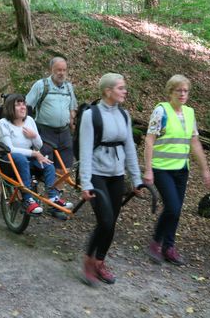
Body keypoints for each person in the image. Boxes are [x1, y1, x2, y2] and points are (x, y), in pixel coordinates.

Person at [79, 73, 144, 286]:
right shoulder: (91, 115)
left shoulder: (124, 115)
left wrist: (136, 179)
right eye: (121, 88)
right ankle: (88, 262)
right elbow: (85, 151)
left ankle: (100, 262)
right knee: (105, 220)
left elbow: (130, 149)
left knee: (112, 222)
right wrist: (86, 183)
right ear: (108, 91)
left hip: (117, 176)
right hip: (97, 174)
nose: (125, 91)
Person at [143, 74, 210, 266]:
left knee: (176, 210)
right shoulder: (161, 111)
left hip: (181, 169)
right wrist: (148, 169)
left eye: (185, 91)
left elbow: (194, 142)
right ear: (170, 92)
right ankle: (156, 243)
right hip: (161, 168)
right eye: (179, 90)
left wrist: (205, 169)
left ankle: (169, 247)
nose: (183, 94)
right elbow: (149, 140)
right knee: (172, 207)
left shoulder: (190, 113)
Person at [0, 94, 73, 217]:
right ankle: (28, 199)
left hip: (29, 156)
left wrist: (34, 136)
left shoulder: (30, 121)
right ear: (10, 107)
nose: (23, 107)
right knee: (22, 159)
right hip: (9, 158)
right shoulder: (3, 123)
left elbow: (38, 145)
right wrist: (34, 153)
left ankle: (52, 197)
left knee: (48, 164)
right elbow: (10, 149)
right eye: (18, 104)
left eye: (24, 104)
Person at [25, 57, 78, 173]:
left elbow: (72, 110)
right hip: (45, 133)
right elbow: (26, 108)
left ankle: (57, 191)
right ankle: (49, 190)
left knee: (64, 169)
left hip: (64, 133)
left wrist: (73, 128)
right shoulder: (41, 85)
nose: (62, 73)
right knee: (46, 169)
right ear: (51, 69)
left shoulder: (69, 87)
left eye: (64, 70)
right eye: (59, 70)